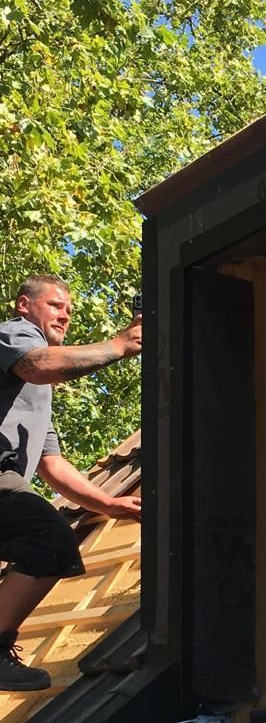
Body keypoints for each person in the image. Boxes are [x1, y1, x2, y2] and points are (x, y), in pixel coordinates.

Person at [0, 274, 142, 691]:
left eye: (69, 310)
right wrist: (118, 346)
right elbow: (38, 364)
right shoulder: (15, 336)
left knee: (47, 541)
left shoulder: (34, 392)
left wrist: (109, 504)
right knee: (48, 537)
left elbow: (51, 464)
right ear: (24, 305)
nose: (65, 314)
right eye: (56, 305)